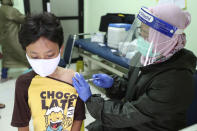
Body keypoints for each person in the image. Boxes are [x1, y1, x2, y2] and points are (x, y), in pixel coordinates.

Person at [72, 4, 197, 131]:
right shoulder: (147, 56)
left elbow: (129, 114)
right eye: (140, 30)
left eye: (146, 33)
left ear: (164, 37)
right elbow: (132, 85)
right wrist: (113, 84)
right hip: (134, 120)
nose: (141, 37)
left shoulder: (176, 80)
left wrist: (90, 99)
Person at [11, 13, 85, 131]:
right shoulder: (24, 83)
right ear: (26, 52)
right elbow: (22, 123)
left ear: (61, 50)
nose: (42, 62)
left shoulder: (73, 78)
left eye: (49, 55)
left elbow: (78, 117)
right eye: (35, 57)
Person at [0, 0, 29, 82]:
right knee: (24, 55)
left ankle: (4, 76)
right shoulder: (10, 10)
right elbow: (22, 19)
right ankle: (35, 74)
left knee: (6, 58)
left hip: (4, 39)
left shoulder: (1, 9)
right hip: (12, 38)